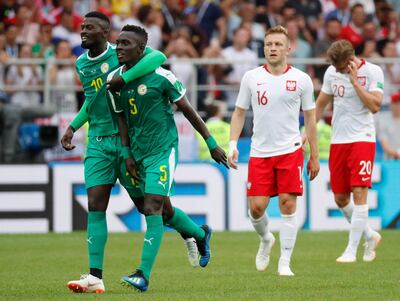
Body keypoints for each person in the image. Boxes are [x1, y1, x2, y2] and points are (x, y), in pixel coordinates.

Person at [61, 12, 195, 294]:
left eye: (90, 27)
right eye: (82, 27)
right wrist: (73, 126)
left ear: (105, 32)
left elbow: (158, 57)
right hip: (98, 141)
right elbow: (94, 100)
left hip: (128, 142)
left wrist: (125, 78)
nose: (83, 31)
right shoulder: (82, 63)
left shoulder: (119, 53)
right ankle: (95, 276)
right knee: (96, 205)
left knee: (155, 209)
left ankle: (195, 232)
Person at [107, 25, 228, 292]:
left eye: (125, 44)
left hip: (162, 150)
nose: (119, 48)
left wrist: (210, 142)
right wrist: (126, 153)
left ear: (141, 49)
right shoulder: (115, 80)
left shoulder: (162, 77)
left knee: (152, 207)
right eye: (117, 43)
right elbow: (121, 119)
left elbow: (188, 110)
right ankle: (199, 233)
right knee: (163, 211)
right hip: (136, 154)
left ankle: (143, 275)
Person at [228, 25, 320, 276]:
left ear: (288, 49)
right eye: (269, 44)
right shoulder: (252, 77)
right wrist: (233, 144)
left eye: (278, 44)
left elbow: (310, 120)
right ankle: (267, 239)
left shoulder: (301, 79)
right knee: (256, 209)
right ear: (264, 48)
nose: (272, 48)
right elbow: (239, 113)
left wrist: (314, 155)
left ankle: (285, 262)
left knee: (288, 205)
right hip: (260, 152)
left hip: (290, 151)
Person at [315, 39, 383, 263]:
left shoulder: (373, 72)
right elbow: (321, 104)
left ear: (351, 59)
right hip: (339, 141)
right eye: (334, 67)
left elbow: (374, 106)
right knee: (341, 198)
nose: (337, 71)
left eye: (341, 67)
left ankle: (351, 251)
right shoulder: (331, 73)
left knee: (359, 192)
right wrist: (307, 132)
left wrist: (355, 83)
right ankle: (370, 235)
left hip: (362, 138)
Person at [376, 92, 400, 160]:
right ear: (391, 104)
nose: (398, 105)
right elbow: (385, 146)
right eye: (396, 103)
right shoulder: (383, 122)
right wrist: (397, 154)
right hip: (389, 161)